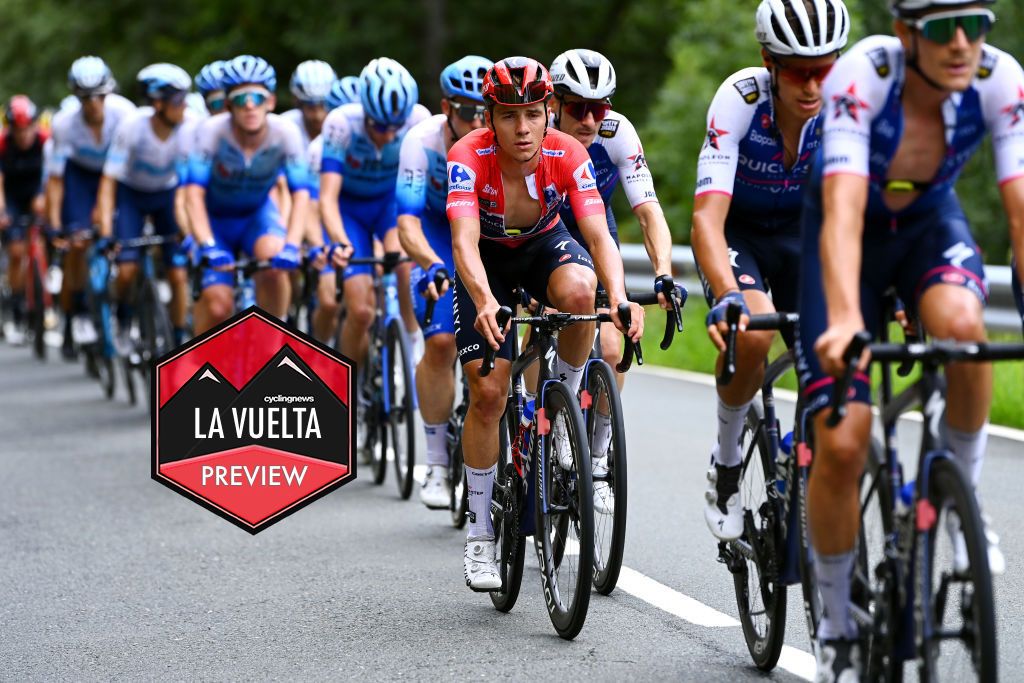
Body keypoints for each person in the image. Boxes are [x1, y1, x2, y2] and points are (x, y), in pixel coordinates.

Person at [797, 0, 1024, 677]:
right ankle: (837, 621)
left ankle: (961, 504)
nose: (961, 44)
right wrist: (843, 319)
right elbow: (840, 211)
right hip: (848, 241)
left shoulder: (999, 79)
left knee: (964, 330)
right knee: (840, 437)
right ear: (905, 34)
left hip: (928, 226)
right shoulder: (861, 77)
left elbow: (1020, 209)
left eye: (975, 25)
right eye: (939, 29)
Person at [446, 56, 642, 590]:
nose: (524, 128)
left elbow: (598, 236)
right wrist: (485, 300)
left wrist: (619, 298)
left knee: (582, 291)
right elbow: (463, 241)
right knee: (488, 392)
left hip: (542, 247)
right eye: (510, 116)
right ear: (490, 118)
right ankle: (481, 536)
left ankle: (564, 417)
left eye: (534, 114)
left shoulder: (567, 152)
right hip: (487, 262)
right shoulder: (468, 156)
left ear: (547, 112)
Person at [692, 0, 849, 541]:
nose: (813, 85)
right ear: (769, 62)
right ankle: (728, 460)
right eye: (800, 72)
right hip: (740, 235)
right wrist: (726, 294)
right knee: (753, 333)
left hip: (804, 237)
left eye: (824, 70)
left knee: (835, 355)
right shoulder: (741, 100)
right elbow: (706, 219)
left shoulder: (845, 107)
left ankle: (800, 458)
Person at [548, 47, 675, 512]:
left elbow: (648, 212)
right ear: (554, 104)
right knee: (530, 335)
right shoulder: (535, 136)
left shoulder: (617, 133)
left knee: (612, 348)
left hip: (595, 231)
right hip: (543, 234)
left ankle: (596, 460)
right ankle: (533, 429)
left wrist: (662, 273)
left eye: (598, 108)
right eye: (577, 107)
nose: (588, 119)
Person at [396, 55, 492, 509]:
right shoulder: (421, 141)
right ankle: (436, 460)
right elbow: (408, 223)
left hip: (487, 231)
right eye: (465, 110)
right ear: (444, 108)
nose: (476, 120)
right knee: (439, 342)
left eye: (483, 110)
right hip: (437, 232)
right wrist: (432, 264)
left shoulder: (502, 139)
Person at [319, 57, 430, 377]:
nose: (388, 135)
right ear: (365, 112)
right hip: (348, 210)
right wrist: (340, 242)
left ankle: (412, 343)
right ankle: (344, 383)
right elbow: (326, 198)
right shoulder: (341, 123)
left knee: (406, 263)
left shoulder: (417, 119)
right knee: (362, 311)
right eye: (380, 127)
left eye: (395, 128)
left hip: (388, 207)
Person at [185, 54, 309, 334]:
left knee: (275, 265)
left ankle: (274, 343)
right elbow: (192, 195)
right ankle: (199, 363)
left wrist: (291, 244)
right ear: (228, 105)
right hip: (215, 220)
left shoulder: (285, 133)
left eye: (258, 97)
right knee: (218, 306)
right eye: (241, 99)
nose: (250, 105)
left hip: (257, 215)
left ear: (272, 102)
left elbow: (300, 193)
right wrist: (206, 243)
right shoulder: (211, 132)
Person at [95, 63, 195, 348]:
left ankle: (177, 338)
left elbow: (191, 187)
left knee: (178, 273)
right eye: (178, 100)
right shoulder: (132, 128)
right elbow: (108, 183)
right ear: (158, 103)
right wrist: (105, 232)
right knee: (126, 271)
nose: (184, 106)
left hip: (168, 195)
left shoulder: (190, 126)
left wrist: (189, 227)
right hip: (132, 196)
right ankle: (123, 318)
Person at [46, 56, 136, 359]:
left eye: (99, 95)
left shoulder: (126, 114)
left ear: (108, 92)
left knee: (129, 249)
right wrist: (56, 223)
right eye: (85, 98)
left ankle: (126, 316)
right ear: (76, 97)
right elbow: (57, 181)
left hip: (119, 176)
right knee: (77, 242)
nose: (93, 103)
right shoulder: (63, 124)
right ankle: (80, 311)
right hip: (82, 178)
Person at [0, 96, 48, 344]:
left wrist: (42, 196)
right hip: (12, 200)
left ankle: (46, 296)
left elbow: (53, 173)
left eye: (27, 128)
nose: (23, 135)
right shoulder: (3, 144)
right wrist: (1, 210)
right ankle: (17, 305)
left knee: (44, 240)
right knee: (17, 252)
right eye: (18, 130)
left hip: (37, 195)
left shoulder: (44, 141)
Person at [282, 60, 337, 149]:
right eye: (311, 106)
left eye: (324, 105)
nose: (318, 115)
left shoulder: (346, 127)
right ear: (298, 102)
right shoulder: (283, 127)